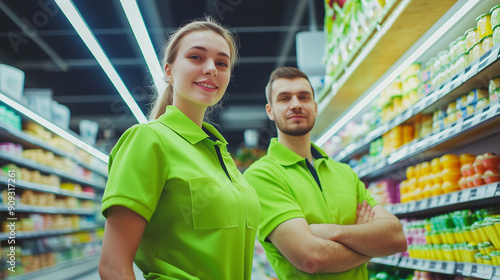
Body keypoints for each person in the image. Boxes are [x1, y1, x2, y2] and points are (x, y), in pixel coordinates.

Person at [98, 17, 260, 280]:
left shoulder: (223, 156)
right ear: (169, 71)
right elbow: (113, 266)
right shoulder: (148, 141)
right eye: (196, 57)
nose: (211, 69)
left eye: (222, 63)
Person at [244, 67, 407, 280]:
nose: (296, 104)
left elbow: (396, 239)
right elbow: (312, 258)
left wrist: (333, 232)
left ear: (315, 107)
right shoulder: (261, 175)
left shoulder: (345, 172)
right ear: (270, 111)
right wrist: (368, 244)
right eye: (284, 98)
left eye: (304, 97)